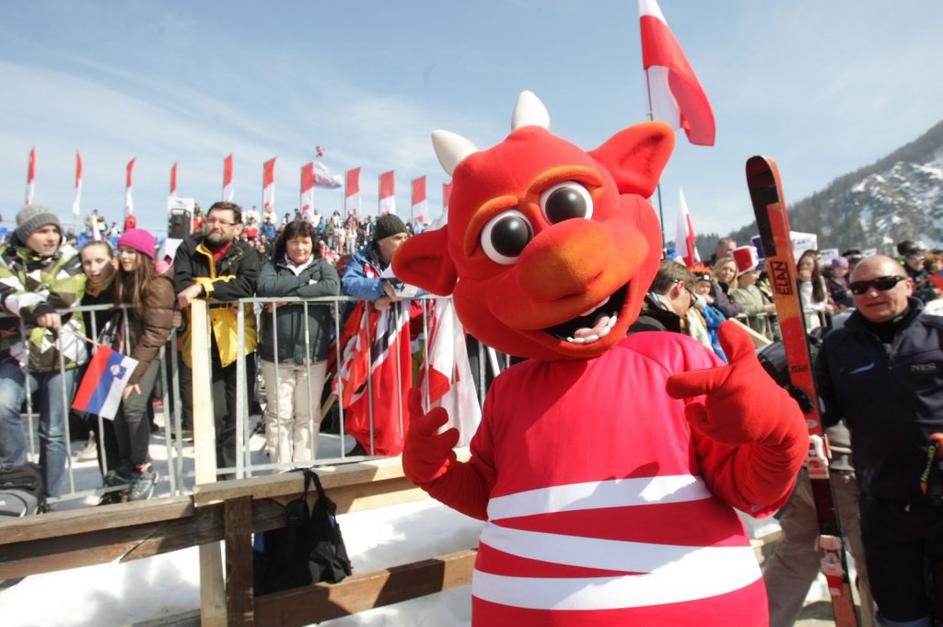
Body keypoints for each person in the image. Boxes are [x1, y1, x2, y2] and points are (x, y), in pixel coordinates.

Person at [816, 254, 943, 625]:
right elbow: (821, 410)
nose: (872, 293)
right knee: (901, 615)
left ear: (908, 284)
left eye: (884, 283)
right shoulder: (838, 346)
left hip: (941, 497)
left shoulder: (938, 334)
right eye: (860, 288)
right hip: (884, 504)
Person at [761, 330, 875, 627]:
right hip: (840, 467)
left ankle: (767, 621)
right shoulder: (853, 347)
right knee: (874, 560)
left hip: (801, 462)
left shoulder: (824, 350)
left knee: (794, 556)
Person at [0, 205, 87, 497]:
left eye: (54, 230)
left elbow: (66, 297)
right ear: (26, 234)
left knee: (54, 431)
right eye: (42, 231)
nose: (51, 237)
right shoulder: (4, 258)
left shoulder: (70, 256)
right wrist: (37, 306)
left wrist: (19, 308)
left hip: (62, 353)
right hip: (16, 352)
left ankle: (51, 495)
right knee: (2, 406)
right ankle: (18, 479)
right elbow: (4, 292)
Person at [173, 201, 259, 477]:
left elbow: (246, 285)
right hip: (200, 340)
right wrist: (221, 289)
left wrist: (203, 288)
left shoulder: (246, 252)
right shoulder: (188, 248)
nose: (216, 226)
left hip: (237, 341)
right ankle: (214, 471)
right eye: (212, 220)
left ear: (238, 228)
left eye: (223, 222)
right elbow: (181, 284)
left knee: (237, 412)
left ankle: (230, 473)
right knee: (212, 412)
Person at [256, 220, 340, 465]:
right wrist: (306, 283)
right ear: (285, 243)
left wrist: (288, 298)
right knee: (279, 415)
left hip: (313, 354)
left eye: (305, 241)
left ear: (313, 243)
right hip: (276, 354)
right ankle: (282, 470)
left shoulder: (322, 266)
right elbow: (265, 287)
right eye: (294, 241)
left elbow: (332, 288)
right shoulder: (272, 266)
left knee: (307, 414)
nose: (300, 247)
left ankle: (304, 466)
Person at [106, 229, 175, 499]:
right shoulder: (124, 280)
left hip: (145, 356)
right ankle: (128, 465)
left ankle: (143, 467)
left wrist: (133, 373)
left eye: (131, 252)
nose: (124, 256)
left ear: (144, 255)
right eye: (121, 251)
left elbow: (155, 333)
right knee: (116, 409)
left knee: (133, 407)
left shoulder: (157, 285)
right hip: (121, 355)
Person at [630, 260, 713, 352]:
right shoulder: (652, 327)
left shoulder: (636, 313)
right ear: (680, 287)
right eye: (691, 299)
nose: (689, 308)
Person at [341, 213, 410, 316]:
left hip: (407, 322)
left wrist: (391, 297)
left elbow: (429, 282)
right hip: (367, 322)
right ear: (380, 241)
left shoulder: (411, 257)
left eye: (406, 237)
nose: (404, 242)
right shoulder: (361, 258)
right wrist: (382, 286)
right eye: (398, 238)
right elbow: (348, 283)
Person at [730, 247, 777, 340]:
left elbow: (767, 303)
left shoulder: (755, 288)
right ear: (744, 274)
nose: (757, 276)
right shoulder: (733, 292)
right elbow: (742, 310)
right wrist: (764, 308)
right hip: (750, 336)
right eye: (754, 273)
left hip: (764, 334)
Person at [797, 249, 831, 331]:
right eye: (802, 264)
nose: (804, 266)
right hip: (800, 320)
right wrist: (806, 283)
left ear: (814, 266)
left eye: (808, 264)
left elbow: (822, 303)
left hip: (814, 320)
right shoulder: (796, 281)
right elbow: (804, 304)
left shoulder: (819, 280)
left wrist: (814, 307)